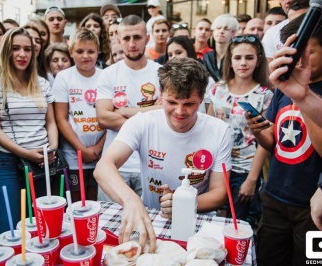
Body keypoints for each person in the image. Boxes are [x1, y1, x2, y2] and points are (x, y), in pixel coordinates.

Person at [94, 57, 232, 252]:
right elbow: (103, 168)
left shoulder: (219, 130)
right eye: (172, 102)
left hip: (197, 219)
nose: (179, 111)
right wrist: (131, 200)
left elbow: (219, 193)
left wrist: (183, 203)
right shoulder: (142, 122)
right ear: (161, 94)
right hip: (151, 215)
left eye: (189, 104)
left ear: (202, 98)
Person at [246, 12, 322, 265]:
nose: (298, 61)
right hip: (275, 196)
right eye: (292, 52)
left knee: (314, 264)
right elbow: (272, 141)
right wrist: (258, 129)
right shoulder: (284, 85)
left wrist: (303, 99)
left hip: (318, 207)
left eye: (307, 53)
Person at [0, 27, 58, 235]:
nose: (22, 54)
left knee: (45, 228)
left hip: (43, 162)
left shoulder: (42, 84)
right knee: (11, 230)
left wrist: (53, 147)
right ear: (5, 51)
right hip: (8, 163)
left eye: (27, 49)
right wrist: (26, 153)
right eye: (15, 49)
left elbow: (51, 122)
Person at [95, 15, 162, 202]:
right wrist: (150, 113)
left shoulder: (161, 73)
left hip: (150, 165)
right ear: (118, 40)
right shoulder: (108, 74)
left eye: (137, 37)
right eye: (126, 38)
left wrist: (124, 111)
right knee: (109, 224)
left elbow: (165, 115)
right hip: (116, 165)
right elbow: (103, 118)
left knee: (150, 225)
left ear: (147, 39)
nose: (132, 43)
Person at [207, 34, 272, 226]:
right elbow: (208, 127)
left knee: (237, 224)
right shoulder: (218, 89)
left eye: (249, 58)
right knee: (212, 221)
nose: (243, 63)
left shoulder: (264, 95)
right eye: (237, 58)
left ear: (258, 60)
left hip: (244, 169)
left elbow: (264, 141)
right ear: (230, 60)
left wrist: (252, 179)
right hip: (217, 165)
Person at [53, 28, 106, 202]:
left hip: (102, 153)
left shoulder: (106, 76)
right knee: (76, 200)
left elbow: (111, 116)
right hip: (73, 156)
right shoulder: (63, 77)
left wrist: (98, 147)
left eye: (91, 51)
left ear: (98, 52)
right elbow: (61, 119)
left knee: (96, 197)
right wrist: (81, 150)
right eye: (80, 51)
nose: (86, 56)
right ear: (71, 52)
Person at [203, 14, 239, 83]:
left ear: (233, 33)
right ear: (213, 32)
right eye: (218, 28)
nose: (221, 31)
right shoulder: (207, 57)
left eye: (226, 29)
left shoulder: (236, 56)